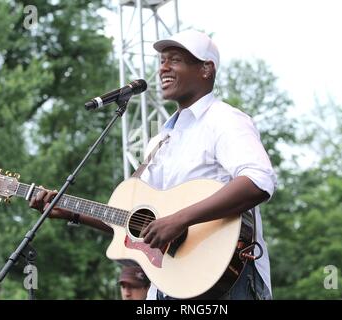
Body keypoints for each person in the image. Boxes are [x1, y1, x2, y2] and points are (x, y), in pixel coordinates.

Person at [29, 29, 276, 300]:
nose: (163, 69)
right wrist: (71, 212)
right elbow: (132, 220)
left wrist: (180, 219)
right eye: (161, 61)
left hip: (226, 283)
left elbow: (258, 181)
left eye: (175, 60)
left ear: (206, 69)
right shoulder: (161, 140)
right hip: (169, 284)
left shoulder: (225, 120)